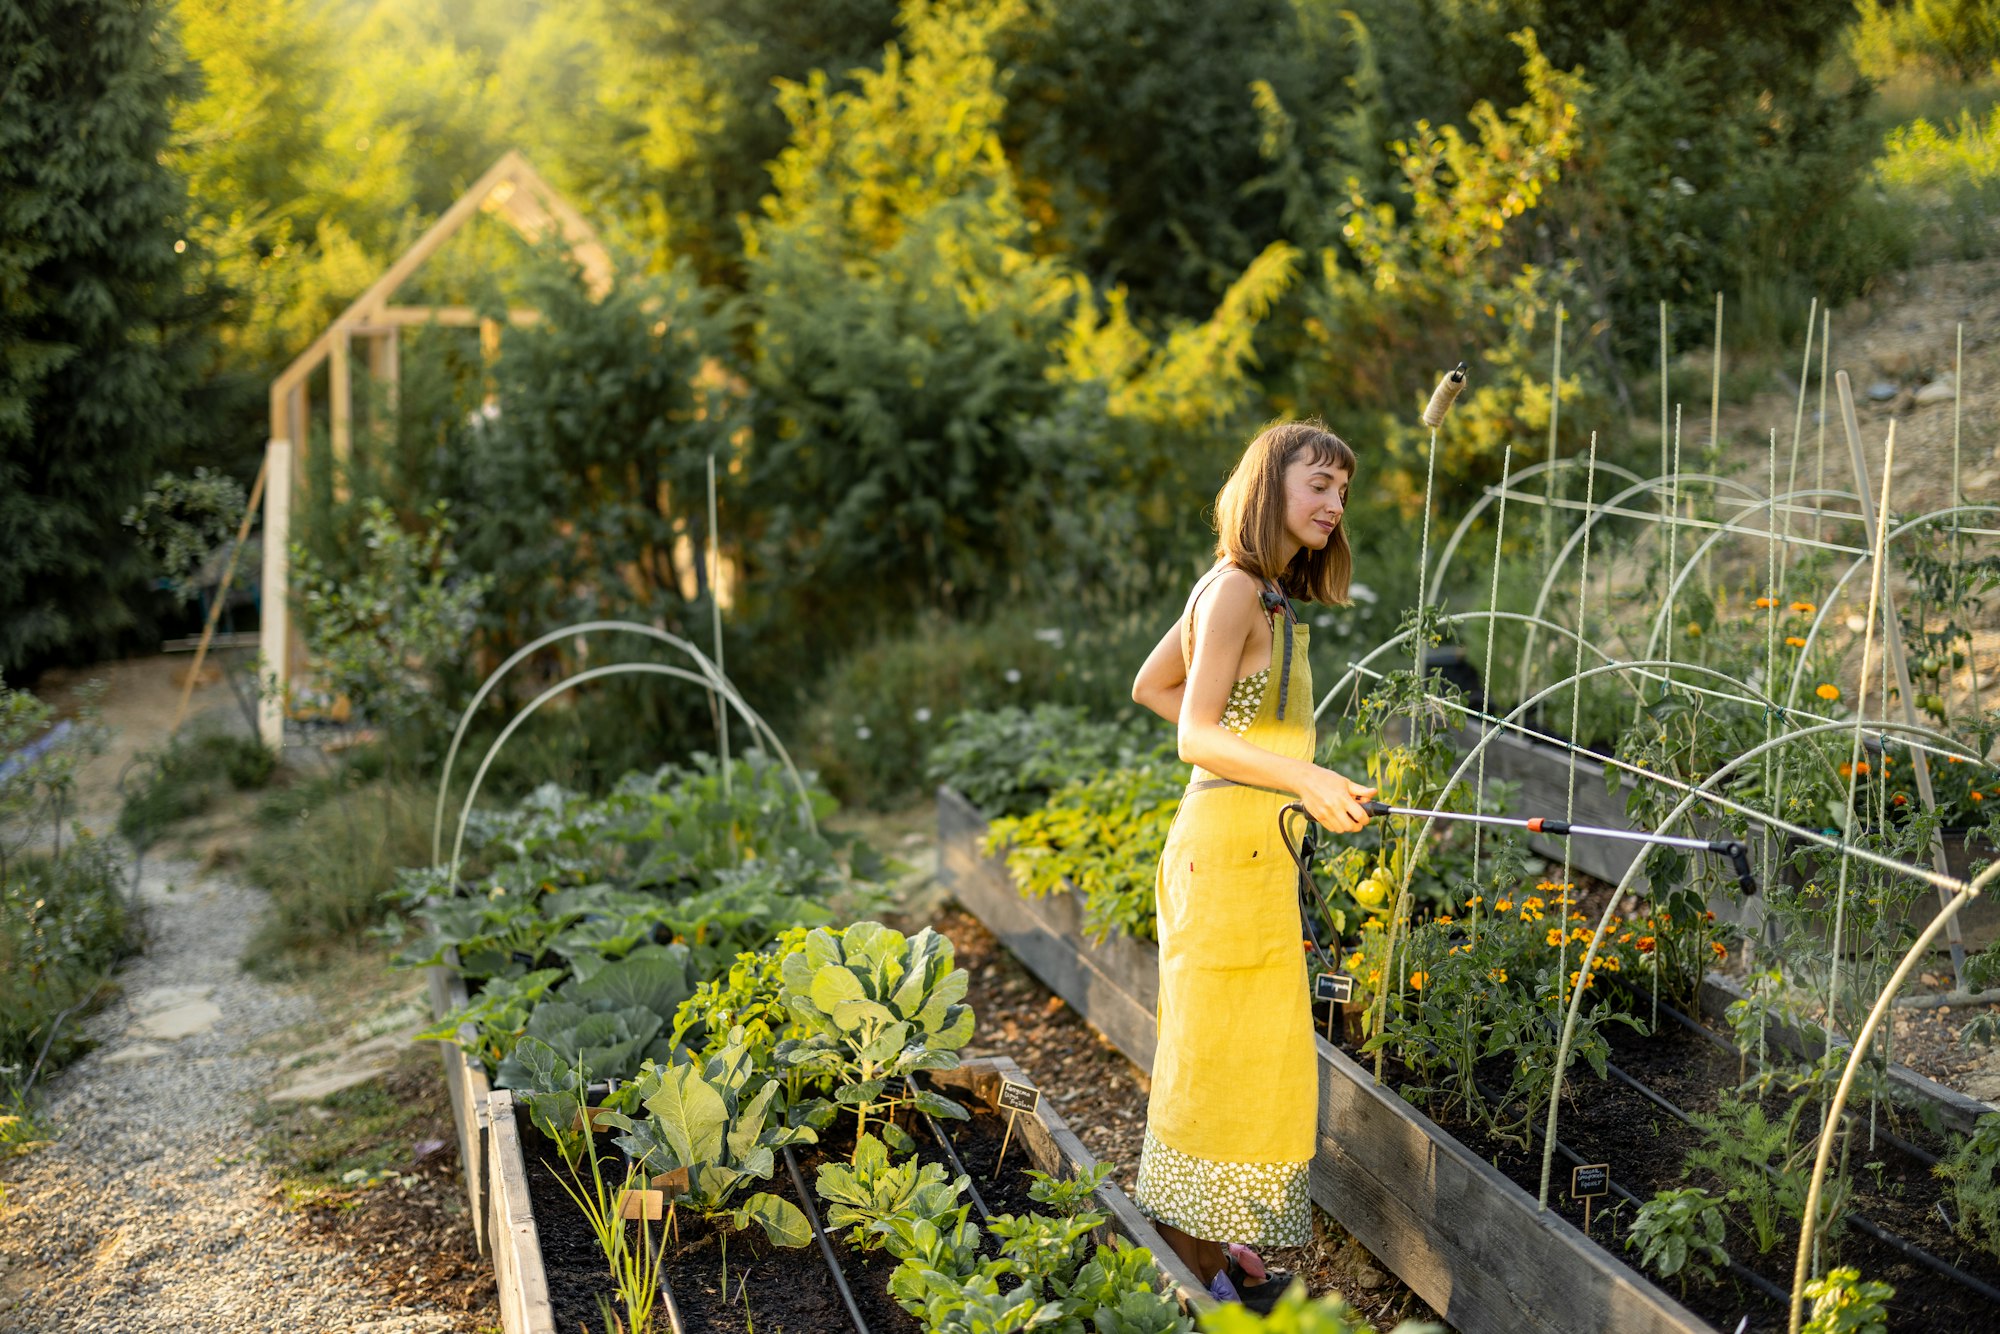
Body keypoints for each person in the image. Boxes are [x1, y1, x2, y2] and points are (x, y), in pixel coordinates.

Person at [1128, 418, 1376, 1309]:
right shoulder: (1234, 588)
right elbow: (1193, 731)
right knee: (1212, 1054)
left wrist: (1277, 775)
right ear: (1270, 484)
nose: (1334, 503)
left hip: (1247, 851)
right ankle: (1190, 1264)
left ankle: (1219, 1247)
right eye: (1320, 483)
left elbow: (1151, 686)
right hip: (1225, 853)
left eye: (1342, 491)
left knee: (1240, 1049)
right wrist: (1296, 774)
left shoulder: (1257, 593)